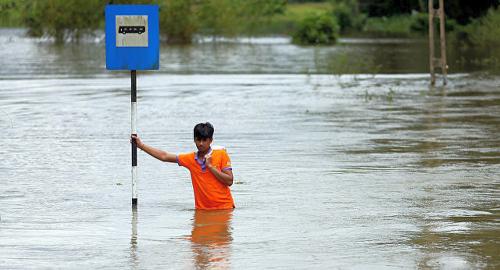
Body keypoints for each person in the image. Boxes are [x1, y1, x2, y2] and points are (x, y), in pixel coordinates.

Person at [131, 122, 235, 210]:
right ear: (194, 140)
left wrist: (211, 167)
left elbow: (229, 181)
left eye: (205, 140)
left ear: (211, 140)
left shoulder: (221, 154)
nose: (201, 143)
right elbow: (164, 156)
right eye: (198, 140)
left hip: (225, 208)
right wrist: (141, 146)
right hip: (202, 210)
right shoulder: (190, 159)